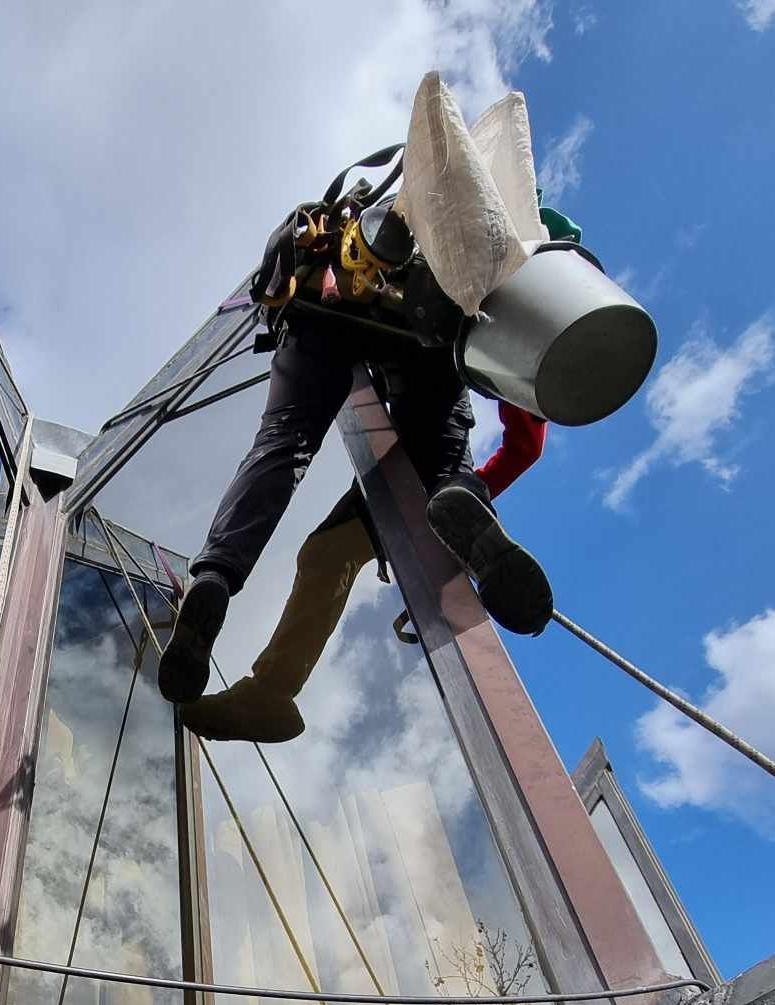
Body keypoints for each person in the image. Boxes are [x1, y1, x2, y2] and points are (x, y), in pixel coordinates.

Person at [158, 203, 580, 740]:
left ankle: (219, 583)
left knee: (284, 453)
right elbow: (525, 447)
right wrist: (462, 503)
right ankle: (457, 497)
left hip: (323, 312)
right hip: (423, 339)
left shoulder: (417, 205)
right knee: (446, 465)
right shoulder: (491, 273)